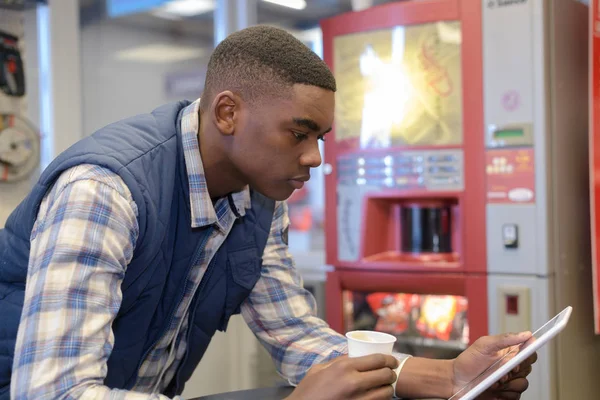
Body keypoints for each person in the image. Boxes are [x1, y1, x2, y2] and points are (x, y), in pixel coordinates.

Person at [0, 26, 536, 400]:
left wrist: (449, 377)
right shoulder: (103, 192)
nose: (315, 158)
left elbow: (298, 338)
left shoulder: (258, 199)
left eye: (320, 137)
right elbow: (52, 392)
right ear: (228, 112)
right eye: (298, 134)